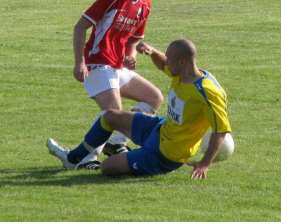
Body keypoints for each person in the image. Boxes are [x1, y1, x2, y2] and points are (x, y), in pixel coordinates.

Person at [47, 39, 232, 179]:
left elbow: (221, 130)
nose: (166, 62)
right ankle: (73, 159)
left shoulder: (208, 92)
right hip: (160, 128)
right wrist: (152, 53)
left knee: (107, 168)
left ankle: (131, 157)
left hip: (167, 154)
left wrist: (204, 164)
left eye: (170, 59)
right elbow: (163, 65)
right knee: (110, 116)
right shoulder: (181, 72)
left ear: (182, 62)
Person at [47, 0, 164, 170]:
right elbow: (80, 26)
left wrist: (131, 56)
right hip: (96, 64)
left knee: (154, 97)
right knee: (113, 111)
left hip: (116, 67)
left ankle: (116, 142)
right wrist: (79, 62)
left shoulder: (145, 4)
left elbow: (134, 39)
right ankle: (85, 158)